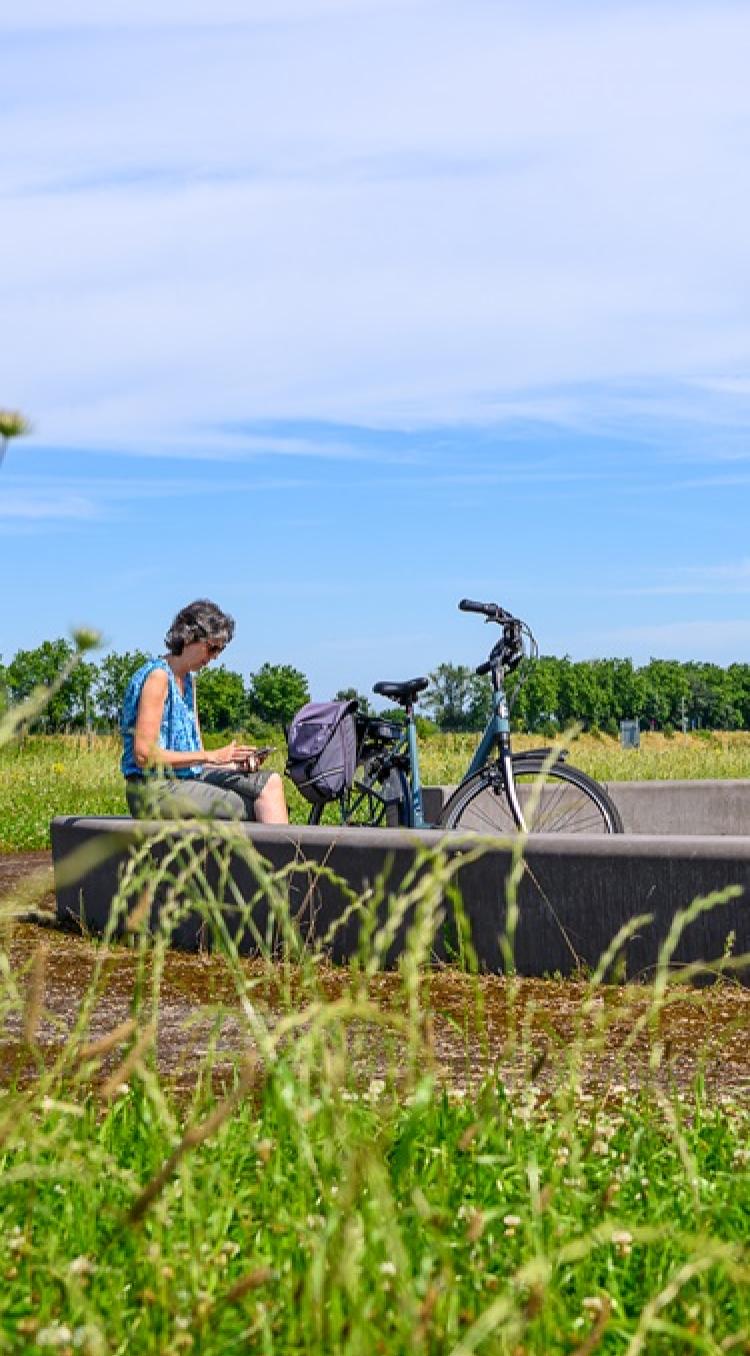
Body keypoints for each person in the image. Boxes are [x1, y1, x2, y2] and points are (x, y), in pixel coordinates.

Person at [120, 599, 288, 824]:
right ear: (189, 637)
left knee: (270, 783)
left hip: (184, 779)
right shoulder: (158, 678)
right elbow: (143, 755)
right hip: (152, 789)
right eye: (212, 647)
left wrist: (233, 763)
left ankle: (278, 857)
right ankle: (276, 859)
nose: (214, 657)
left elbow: (194, 758)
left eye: (220, 649)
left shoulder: (189, 682)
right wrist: (211, 755)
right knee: (254, 804)